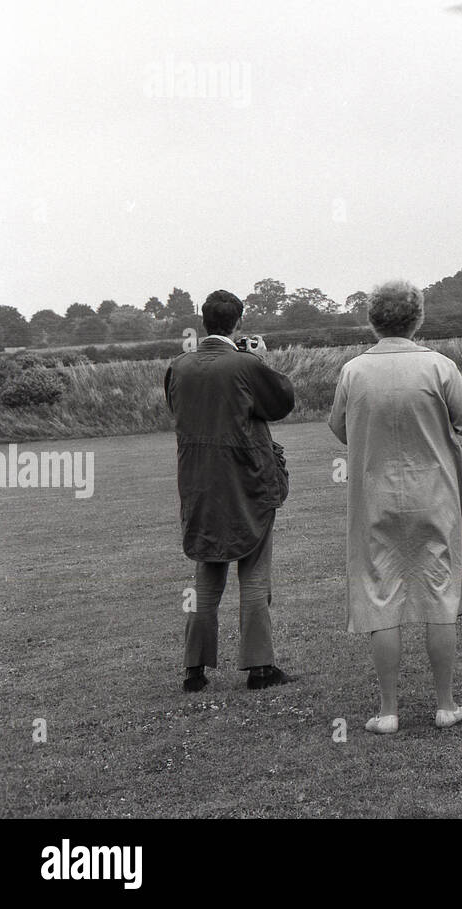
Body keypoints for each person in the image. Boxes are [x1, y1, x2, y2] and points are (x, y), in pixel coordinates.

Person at [329, 280, 462, 734]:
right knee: (439, 593)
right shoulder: (439, 366)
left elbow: (340, 427)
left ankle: (389, 710)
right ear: (418, 318)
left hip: (376, 496)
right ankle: (444, 703)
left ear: (373, 320)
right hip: (435, 495)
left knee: (381, 596)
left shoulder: (352, 372)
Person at [165, 289, 296, 692]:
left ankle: (194, 670)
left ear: (204, 321)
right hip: (247, 484)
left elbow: (178, 410)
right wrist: (257, 359)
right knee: (254, 576)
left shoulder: (178, 367)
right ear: (238, 321)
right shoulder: (244, 364)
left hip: (200, 486)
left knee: (207, 577)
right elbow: (280, 403)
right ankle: (260, 668)